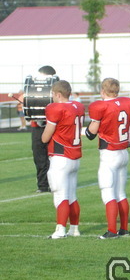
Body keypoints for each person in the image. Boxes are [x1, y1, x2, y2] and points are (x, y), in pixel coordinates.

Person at [86, 78, 130, 239]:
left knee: (108, 192)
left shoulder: (99, 106)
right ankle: (124, 229)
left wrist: (94, 124)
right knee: (121, 193)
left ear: (102, 91)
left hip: (109, 154)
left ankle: (112, 231)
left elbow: (90, 134)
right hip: (123, 153)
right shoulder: (127, 103)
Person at [41, 80, 85, 239]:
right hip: (74, 157)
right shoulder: (78, 106)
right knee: (72, 195)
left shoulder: (55, 108)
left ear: (58, 94)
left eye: (53, 94)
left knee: (60, 194)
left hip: (61, 157)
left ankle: (60, 230)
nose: (52, 97)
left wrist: (44, 129)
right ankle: (74, 229)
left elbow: (45, 138)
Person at [31, 65, 57, 193]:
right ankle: (42, 185)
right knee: (39, 156)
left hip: (53, 126)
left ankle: (54, 183)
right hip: (37, 127)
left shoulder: (57, 89)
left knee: (54, 157)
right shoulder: (34, 89)